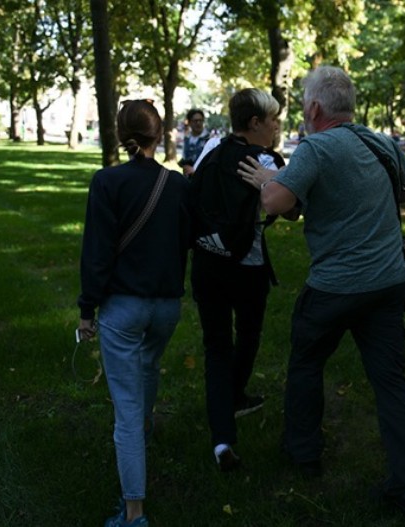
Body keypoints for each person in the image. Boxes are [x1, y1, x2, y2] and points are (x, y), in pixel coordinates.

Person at [238, 66, 405, 526]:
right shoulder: (379, 141)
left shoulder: (316, 146)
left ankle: (304, 454)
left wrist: (264, 179)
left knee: (306, 361)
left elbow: (276, 203)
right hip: (386, 283)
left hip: (335, 286)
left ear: (315, 108)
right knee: (391, 384)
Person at [77, 99, 191, 527]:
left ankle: (134, 513)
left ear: (121, 133)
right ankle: (144, 432)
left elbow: (97, 253)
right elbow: (184, 244)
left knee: (124, 407)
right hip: (166, 306)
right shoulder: (178, 185)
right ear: (158, 135)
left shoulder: (107, 182)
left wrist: (87, 310)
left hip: (123, 307)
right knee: (149, 367)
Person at [189, 88, 288, 471]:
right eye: (273, 119)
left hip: (207, 259)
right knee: (247, 336)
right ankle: (235, 397)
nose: (278, 126)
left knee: (216, 347)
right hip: (247, 268)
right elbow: (292, 208)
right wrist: (269, 179)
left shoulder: (212, 146)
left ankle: (221, 439)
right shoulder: (264, 160)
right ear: (255, 123)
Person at [179, 108, 211, 177]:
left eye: (200, 120)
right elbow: (184, 157)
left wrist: (195, 170)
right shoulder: (186, 139)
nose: (198, 123)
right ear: (190, 122)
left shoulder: (209, 139)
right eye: (195, 121)